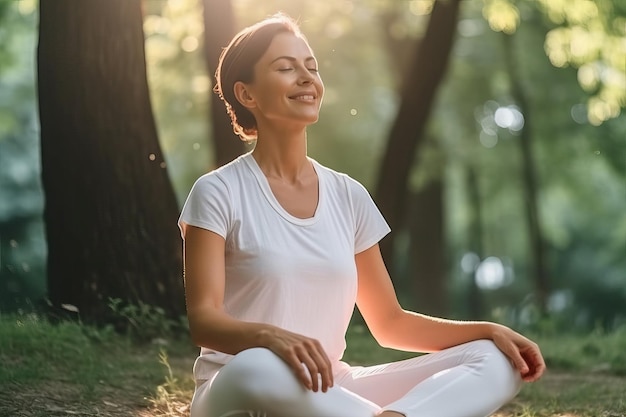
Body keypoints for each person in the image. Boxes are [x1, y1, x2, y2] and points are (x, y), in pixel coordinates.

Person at [178, 12, 545, 417]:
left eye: (311, 67)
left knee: (494, 359)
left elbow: (390, 322)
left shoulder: (347, 195)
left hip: (330, 389)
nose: (305, 77)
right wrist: (270, 337)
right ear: (246, 95)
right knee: (257, 364)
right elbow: (204, 320)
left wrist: (488, 330)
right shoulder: (217, 191)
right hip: (241, 387)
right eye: (285, 68)